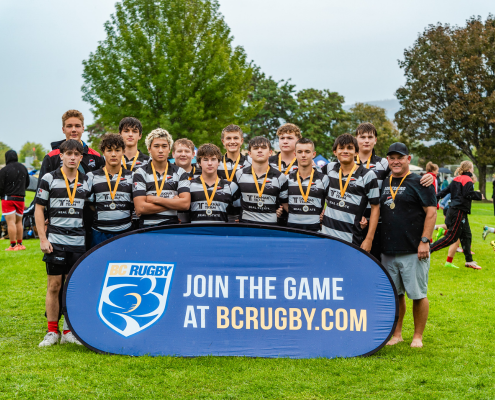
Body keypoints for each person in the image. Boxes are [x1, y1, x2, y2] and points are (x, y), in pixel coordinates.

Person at [380, 142, 437, 348]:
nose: (396, 161)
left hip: (414, 248)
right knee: (396, 295)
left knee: (418, 294)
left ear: (408, 159)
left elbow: (431, 212)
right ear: (388, 160)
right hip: (387, 249)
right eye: (392, 158)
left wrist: (424, 241)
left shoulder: (420, 181)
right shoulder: (383, 182)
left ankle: (417, 336)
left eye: (400, 157)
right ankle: (397, 334)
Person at [35, 140, 89, 347]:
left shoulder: (87, 180)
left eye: (77, 154)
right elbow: (39, 209)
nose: (72, 157)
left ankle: (68, 330)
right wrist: (42, 238)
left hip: (78, 241)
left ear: (81, 157)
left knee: (71, 287)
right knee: (54, 285)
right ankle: (52, 332)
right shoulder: (49, 178)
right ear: (61, 156)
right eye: (69, 153)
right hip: (55, 240)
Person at [352, 122, 434, 259]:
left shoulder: (384, 163)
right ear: (356, 139)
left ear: (375, 140)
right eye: (362, 137)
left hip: (377, 224)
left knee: (376, 265)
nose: (366, 140)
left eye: (370, 137)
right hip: (351, 222)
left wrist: (427, 176)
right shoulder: (347, 161)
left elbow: (402, 173)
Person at [320, 134, 380, 251]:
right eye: (341, 148)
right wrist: (320, 210)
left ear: (356, 152)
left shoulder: (368, 175)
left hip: (351, 239)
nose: (345, 151)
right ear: (334, 152)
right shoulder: (329, 169)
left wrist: (369, 239)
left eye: (349, 148)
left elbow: (375, 207)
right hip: (326, 237)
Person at [430, 161, 484, 269]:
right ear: (469, 170)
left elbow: (444, 192)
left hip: (455, 210)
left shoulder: (456, 179)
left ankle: (469, 261)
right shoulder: (468, 180)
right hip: (458, 211)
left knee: (466, 235)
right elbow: (467, 194)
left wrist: (433, 198)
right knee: (451, 238)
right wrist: (478, 195)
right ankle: (427, 250)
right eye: (472, 168)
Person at [133, 129, 191, 227]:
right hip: (147, 227)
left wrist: (154, 199)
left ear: (169, 149)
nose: (160, 150)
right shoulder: (140, 173)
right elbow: (140, 208)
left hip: (171, 227)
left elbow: (185, 205)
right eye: (156, 146)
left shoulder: (180, 172)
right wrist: (174, 203)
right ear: (149, 149)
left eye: (164, 146)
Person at [87, 134, 134, 247]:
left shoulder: (132, 176)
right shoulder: (91, 176)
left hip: (125, 231)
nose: (113, 154)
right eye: (109, 150)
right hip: (99, 233)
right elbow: (89, 204)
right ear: (103, 152)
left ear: (123, 151)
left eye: (117, 150)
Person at [234, 136, 288, 225]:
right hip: (245, 227)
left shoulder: (280, 177)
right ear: (249, 153)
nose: (259, 150)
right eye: (255, 148)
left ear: (270, 152)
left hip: (270, 228)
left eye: (263, 148)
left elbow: (285, 204)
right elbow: (231, 199)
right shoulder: (239, 174)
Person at [278, 138, 329, 232]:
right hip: (292, 230)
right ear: (295, 154)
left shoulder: (324, 179)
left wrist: (325, 213)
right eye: (300, 152)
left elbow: (330, 202)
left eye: (307, 152)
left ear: (313, 154)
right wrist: (296, 213)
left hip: (316, 231)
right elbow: (283, 202)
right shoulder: (287, 179)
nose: (303, 155)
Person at [189, 144, 238, 223]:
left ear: (219, 162)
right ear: (199, 163)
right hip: (196, 233)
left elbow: (236, 215)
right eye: (205, 159)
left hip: (220, 234)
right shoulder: (189, 186)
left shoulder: (231, 186)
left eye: (213, 159)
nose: (210, 163)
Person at [269, 123, 302, 227]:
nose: (285, 141)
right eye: (282, 138)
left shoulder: (304, 163)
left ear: (298, 141)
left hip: (297, 214)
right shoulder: (268, 162)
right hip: (271, 213)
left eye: (289, 138)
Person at [217, 125, 251, 222]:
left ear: (241, 141)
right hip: (220, 214)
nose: (232, 141)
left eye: (236, 138)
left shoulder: (251, 162)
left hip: (245, 215)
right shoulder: (216, 163)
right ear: (223, 142)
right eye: (228, 138)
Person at [0, 150, 30, 251]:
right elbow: (27, 183)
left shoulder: (4, 170)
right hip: (20, 198)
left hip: (8, 198)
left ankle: (13, 246)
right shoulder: (23, 168)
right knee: (19, 222)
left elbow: (0, 186)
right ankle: (20, 244)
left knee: (11, 222)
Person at [172, 138, 200, 224]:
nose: (183, 154)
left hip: (197, 221)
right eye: (179, 151)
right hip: (172, 221)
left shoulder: (203, 173)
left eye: (187, 151)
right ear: (173, 154)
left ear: (193, 154)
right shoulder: (165, 173)